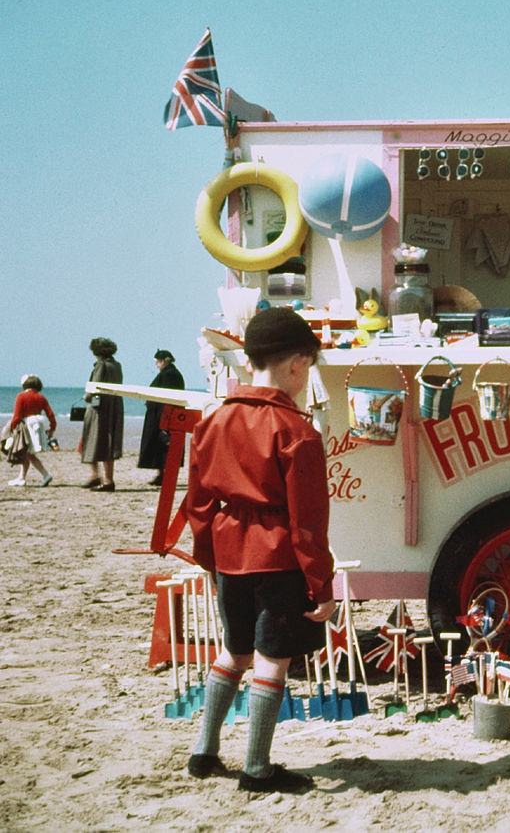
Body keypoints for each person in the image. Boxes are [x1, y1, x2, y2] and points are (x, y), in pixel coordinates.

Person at [185, 307, 334, 794]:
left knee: (235, 650)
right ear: (296, 364)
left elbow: (199, 503)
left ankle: (204, 753)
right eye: (308, 367)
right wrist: (321, 587)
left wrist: (209, 559)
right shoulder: (297, 431)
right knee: (273, 659)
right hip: (276, 558)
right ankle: (257, 768)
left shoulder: (214, 419)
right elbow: (308, 525)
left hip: (228, 553)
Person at [81, 337, 124, 492]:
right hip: (114, 405)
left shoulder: (101, 365)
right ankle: (106, 478)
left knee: (94, 440)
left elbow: (94, 387)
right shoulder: (116, 365)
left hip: (100, 408)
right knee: (109, 442)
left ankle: (99, 477)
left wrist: (86, 397)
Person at [137, 349, 186, 486]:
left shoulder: (169, 374)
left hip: (163, 415)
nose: (157, 365)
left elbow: (166, 397)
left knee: (163, 446)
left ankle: (164, 475)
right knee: (160, 446)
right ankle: (162, 475)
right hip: (161, 414)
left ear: (165, 360)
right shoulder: (170, 373)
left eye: (158, 362)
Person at [5, 375, 56, 487]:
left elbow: (17, 416)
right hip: (38, 426)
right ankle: (21, 478)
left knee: (28, 452)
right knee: (27, 452)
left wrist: (12, 429)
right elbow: (51, 414)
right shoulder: (41, 397)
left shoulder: (21, 396)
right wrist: (52, 428)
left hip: (26, 426)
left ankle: (45, 474)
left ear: (25, 385)